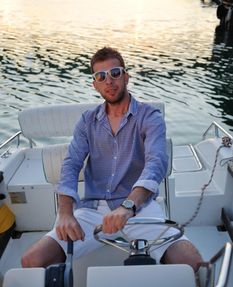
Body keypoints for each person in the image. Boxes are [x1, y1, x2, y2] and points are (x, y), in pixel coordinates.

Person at [21, 47, 202, 271]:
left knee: (194, 264)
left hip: (138, 209)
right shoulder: (87, 121)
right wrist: (65, 213)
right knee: (32, 261)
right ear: (95, 84)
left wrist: (128, 206)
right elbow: (71, 164)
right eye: (101, 76)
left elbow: (156, 163)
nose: (109, 81)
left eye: (115, 73)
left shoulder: (150, 117)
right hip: (91, 211)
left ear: (126, 76)